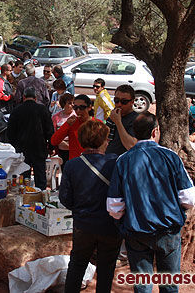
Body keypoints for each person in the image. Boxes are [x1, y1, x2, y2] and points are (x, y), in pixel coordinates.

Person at [107, 112, 195, 293]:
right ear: (155, 131)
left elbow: (114, 205)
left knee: (142, 286)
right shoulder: (171, 157)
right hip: (168, 231)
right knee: (170, 285)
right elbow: (188, 197)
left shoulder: (123, 160)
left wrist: (126, 219)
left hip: (137, 232)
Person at [60, 120, 121, 293]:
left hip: (83, 224)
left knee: (77, 264)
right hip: (110, 225)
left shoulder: (72, 165)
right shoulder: (115, 162)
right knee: (107, 268)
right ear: (103, 141)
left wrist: (78, 208)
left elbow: (65, 198)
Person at [7, 87, 54, 189]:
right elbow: (49, 130)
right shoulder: (42, 110)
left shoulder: (16, 110)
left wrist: (15, 145)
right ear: (35, 98)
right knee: (40, 176)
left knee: (24, 178)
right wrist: (51, 146)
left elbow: (10, 132)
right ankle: (42, 199)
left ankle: (24, 199)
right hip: (39, 146)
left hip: (22, 148)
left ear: (23, 97)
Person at [51, 95, 94, 160]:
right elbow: (54, 141)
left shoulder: (97, 123)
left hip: (92, 163)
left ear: (89, 107)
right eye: (75, 107)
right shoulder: (71, 123)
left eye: (82, 107)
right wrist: (66, 125)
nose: (78, 111)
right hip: (75, 164)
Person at [105, 84, 138, 156]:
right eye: (116, 100)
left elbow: (131, 145)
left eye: (124, 102)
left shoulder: (136, 120)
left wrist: (118, 122)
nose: (119, 104)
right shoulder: (113, 116)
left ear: (132, 102)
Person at [51, 93, 76, 164]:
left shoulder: (76, 116)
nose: (72, 105)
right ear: (64, 104)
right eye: (70, 103)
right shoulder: (55, 117)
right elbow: (54, 133)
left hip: (73, 149)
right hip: (61, 149)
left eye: (73, 103)